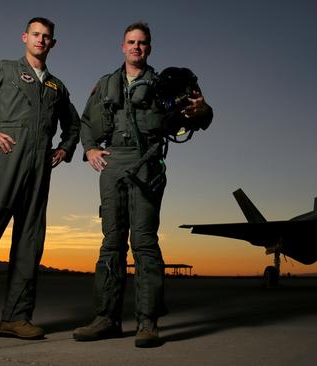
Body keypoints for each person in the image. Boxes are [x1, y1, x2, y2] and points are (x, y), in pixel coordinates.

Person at [73, 22, 212, 348]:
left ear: (148, 48)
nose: (137, 47)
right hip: (112, 164)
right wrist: (90, 148)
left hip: (147, 163)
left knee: (145, 243)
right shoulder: (106, 84)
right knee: (111, 243)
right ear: (123, 46)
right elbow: (86, 123)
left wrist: (202, 110)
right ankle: (106, 318)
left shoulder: (167, 84)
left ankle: (147, 323)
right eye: (131, 42)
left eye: (142, 43)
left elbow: (200, 117)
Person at [0, 17, 81, 347]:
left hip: (39, 170)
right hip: (5, 161)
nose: (40, 40)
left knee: (29, 244)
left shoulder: (56, 87)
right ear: (25, 37)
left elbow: (74, 125)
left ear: (53, 44)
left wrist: (63, 149)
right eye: (35, 34)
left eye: (46, 37)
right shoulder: (5, 69)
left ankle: (16, 318)